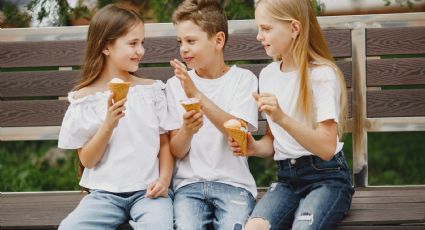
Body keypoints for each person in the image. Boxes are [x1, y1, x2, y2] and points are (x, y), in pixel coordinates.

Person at [228, 0, 355, 229]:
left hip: (327, 179)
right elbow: (273, 141)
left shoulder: (321, 75)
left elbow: (326, 147)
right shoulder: (267, 75)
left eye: (266, 28)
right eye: (259, 28)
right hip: (287, 179)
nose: (259, 36)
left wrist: (283, 118)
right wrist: (254, 147)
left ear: (294, 28)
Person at [57, 4, 173, 230]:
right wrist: (108, 124)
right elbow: (87, 161)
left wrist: (164, 181)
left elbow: (164, 144)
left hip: (148, 193)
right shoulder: (86, 99)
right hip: (104, 196)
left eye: (142, 42)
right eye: (132, 43)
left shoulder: (151, 91)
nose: (141, 50)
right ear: (106, 46)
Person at [164, 0, 259, 229]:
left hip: (234, 185)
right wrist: (187, 130)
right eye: (180, 42)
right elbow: (176, 150)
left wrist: (197, 95)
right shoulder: (175, 85)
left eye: (191, 41)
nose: (183, 48)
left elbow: (238, 135)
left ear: (218, 40)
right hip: (189, 187)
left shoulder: (243, 80)